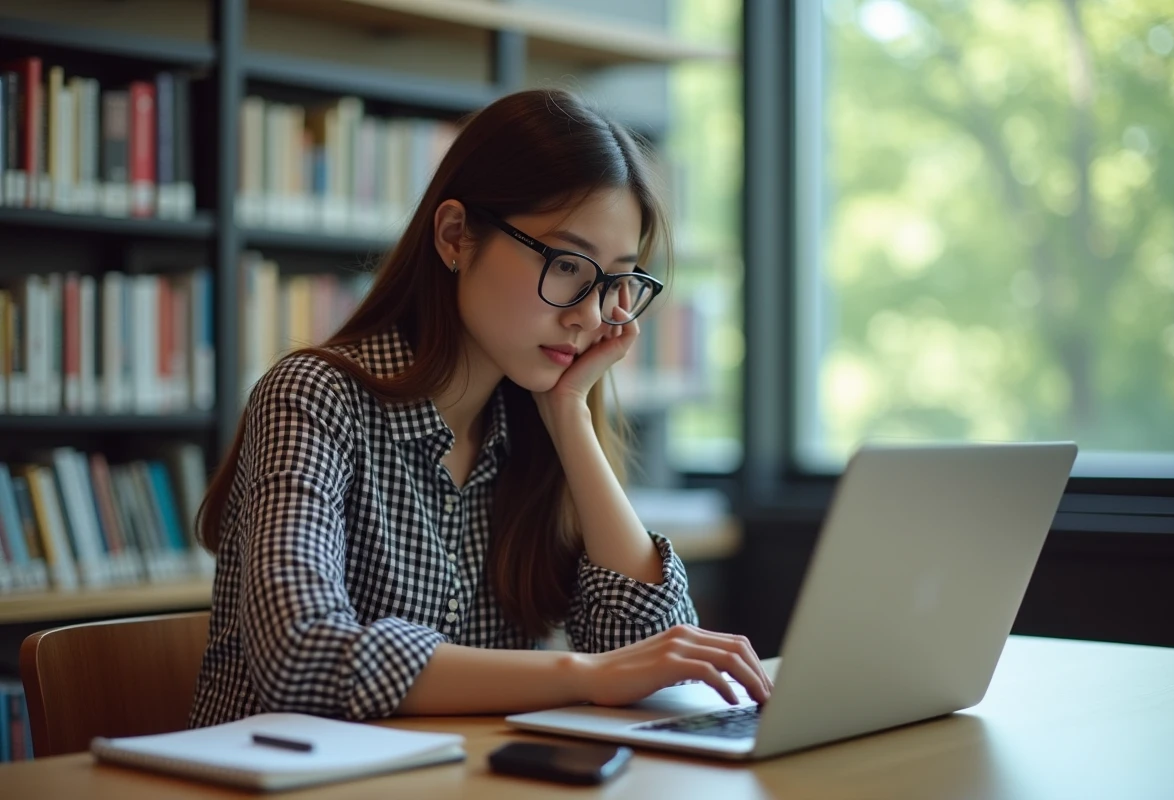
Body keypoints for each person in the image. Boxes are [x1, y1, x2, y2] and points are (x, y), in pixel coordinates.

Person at [189, 88, 772, 728]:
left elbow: (652, 652)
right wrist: (585, 676)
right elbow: (299, 652)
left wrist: (571, 415)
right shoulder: (315, 397)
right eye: (569, 265)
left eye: (616, 282)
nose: (588, 314)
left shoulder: (530, 425)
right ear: (456, 237)